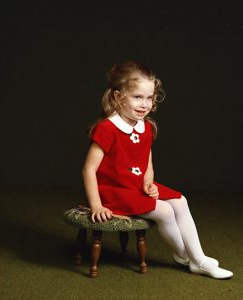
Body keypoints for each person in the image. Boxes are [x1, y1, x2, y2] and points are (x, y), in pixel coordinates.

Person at [82, 61, 233, 279]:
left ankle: (193, 258)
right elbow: (88, 170)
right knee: (164, 211)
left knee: (180, 200)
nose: (144, 104)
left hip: (135, 186)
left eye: (149, 97)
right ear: (117, 96)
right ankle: (192, 258)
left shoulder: (146, 127)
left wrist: (148, 184)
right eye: (137, 97)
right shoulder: (107, 128)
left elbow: (147, 163)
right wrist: (96, 204)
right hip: (113, 191)